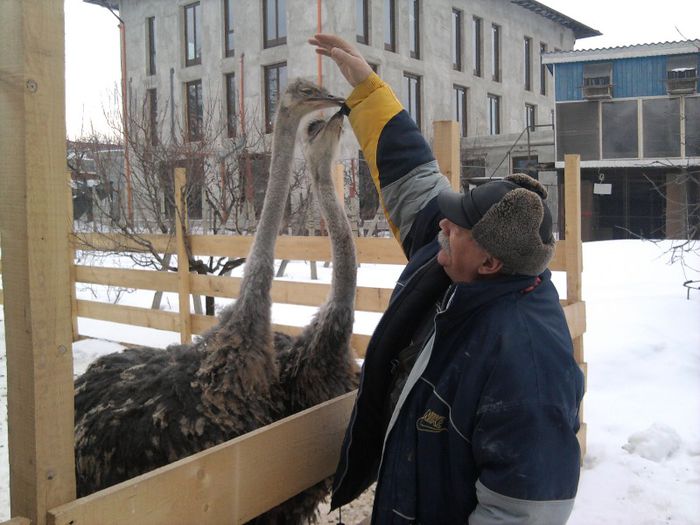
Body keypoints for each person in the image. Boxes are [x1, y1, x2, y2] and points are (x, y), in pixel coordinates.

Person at [309, 34, 584, 524]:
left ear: (490, 263)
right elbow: (415, 177)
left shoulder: (528, 365)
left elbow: (524, 512)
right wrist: (368, 90)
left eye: (456, 224)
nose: (442, 223)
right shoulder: (454, 269)